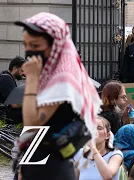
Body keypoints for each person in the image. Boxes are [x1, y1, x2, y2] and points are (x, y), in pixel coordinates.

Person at [15, 12, 101, 180]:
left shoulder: (61, 79)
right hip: (37, 162)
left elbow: (32, 124)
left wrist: (31, 80)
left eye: (34, 44)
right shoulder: (46, 75)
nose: (28, 51)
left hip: (52, 167)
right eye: (26, 44)